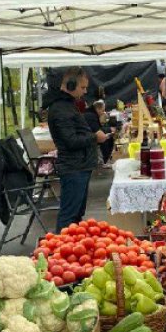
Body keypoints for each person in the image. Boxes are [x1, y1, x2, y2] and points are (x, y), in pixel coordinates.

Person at [44, 68, 111, 230]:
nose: (85, 91)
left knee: (76, 214)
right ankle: (60, 249)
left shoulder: (67, 105)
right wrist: (95, 137)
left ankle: (70, 247)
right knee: (69, 214)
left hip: (79, 166)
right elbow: (71, 141)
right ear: (71, 85)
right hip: (74, 168)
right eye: (83, 87)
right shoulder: (61, 109)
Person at [84, 99, 114, 165]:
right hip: (88, 142)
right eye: (103, 110)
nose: (103, 112)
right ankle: (104, 161)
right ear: (97, 109)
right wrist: (108, 133)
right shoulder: (91, 116)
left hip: (89, 139)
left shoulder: (91, 114)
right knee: (105, 139)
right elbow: (98, 133)